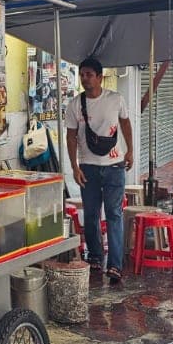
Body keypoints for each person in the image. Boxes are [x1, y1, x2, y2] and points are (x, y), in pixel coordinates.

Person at [64, 57, 134, 282]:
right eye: (82, 75)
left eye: (89, 75)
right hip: (89, 168)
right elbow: (71, 136)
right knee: (92, 214)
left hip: (114, 166)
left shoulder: (115, 99)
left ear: (99, 77)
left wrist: (130, 151)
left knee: (114, 214)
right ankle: (94, 256)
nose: (84, 79)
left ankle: (115, 265)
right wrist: (74, 167)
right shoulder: (75, 104)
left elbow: (125, 123)